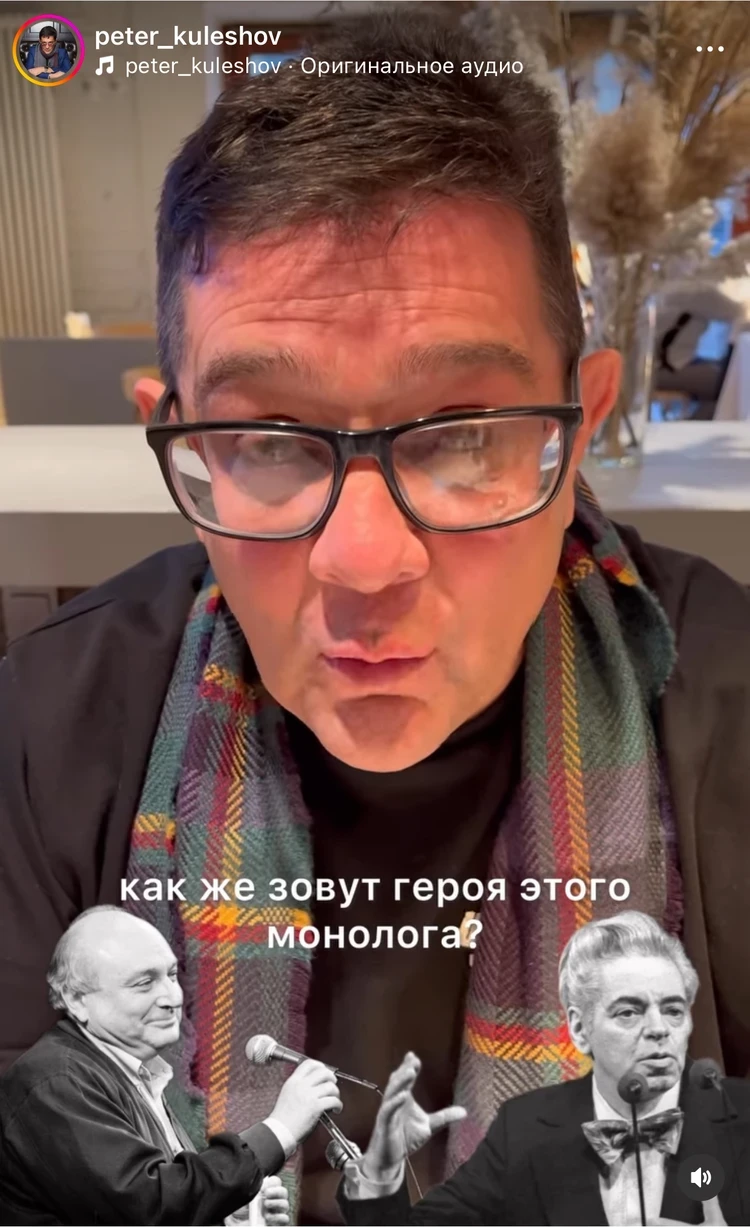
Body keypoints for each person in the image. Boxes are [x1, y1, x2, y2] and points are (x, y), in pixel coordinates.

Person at [1, 9, 749, 1226]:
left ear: (579, 425)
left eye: (464, 434)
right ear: (173, 432)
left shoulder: (731, 711)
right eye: (265, 438)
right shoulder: (48, 731)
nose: (363, 561)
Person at [339, 913, 750, 1225]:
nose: (659, 1029)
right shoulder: (524, 1128)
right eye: (629, 1012)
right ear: (580, 1029)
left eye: (673, 1010)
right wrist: (381, 1171)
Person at [0, 908, 339, 1225]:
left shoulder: (130, 1071)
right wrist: (281, 1127)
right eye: (144, 983)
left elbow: (165, 1200)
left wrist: (228, 1214)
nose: (172, 998)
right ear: (77, 1000)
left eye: (172, 975)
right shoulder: (56, 1080)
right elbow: (150, 1203)